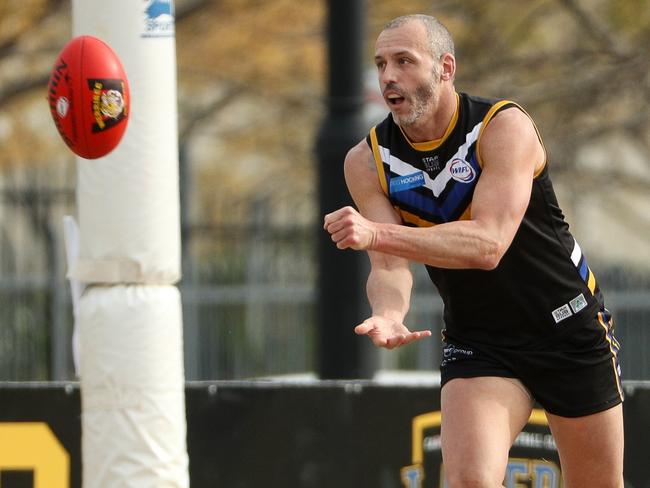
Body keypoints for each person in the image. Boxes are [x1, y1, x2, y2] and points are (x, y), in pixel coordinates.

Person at [323, 13, 624, 488]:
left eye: (404, 61)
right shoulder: (367, 160)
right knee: (468, 481)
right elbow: (389, 265)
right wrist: (387, 311)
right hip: (479, 340)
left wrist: (378, 235)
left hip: (567, 327)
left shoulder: (501, 127)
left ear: (446, 68)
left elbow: (488, 245)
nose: (388, 77)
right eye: (381, 64)